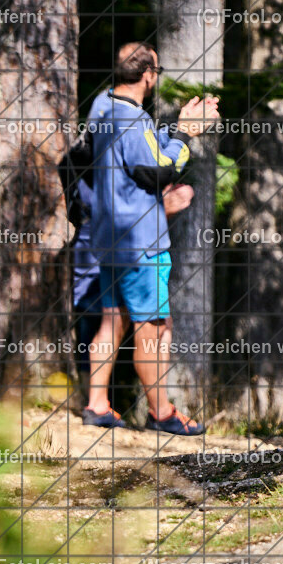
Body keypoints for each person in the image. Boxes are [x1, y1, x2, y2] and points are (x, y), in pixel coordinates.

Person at [83, 42, 218, 435]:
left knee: (113, 321)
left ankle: (96, 404)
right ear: (148, 76)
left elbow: (133, 152)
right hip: (141, 242)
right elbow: (157, 169)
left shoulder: (103, 106)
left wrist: (174, 126)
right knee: (155, 328)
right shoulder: (131, 118)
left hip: (109, 235)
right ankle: (162, 413)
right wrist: (185, 134)